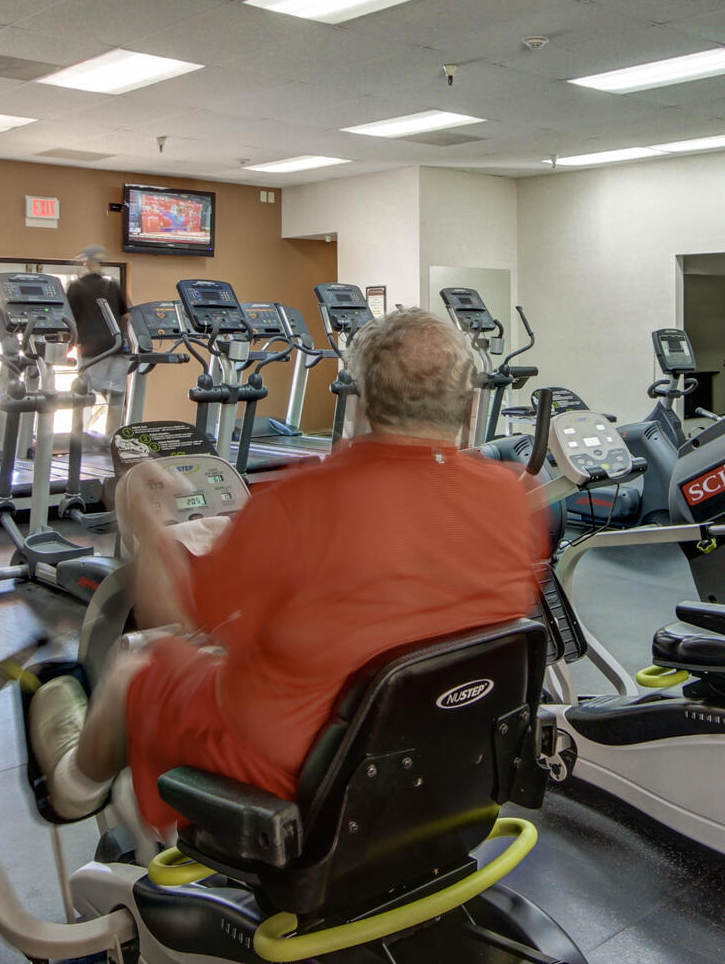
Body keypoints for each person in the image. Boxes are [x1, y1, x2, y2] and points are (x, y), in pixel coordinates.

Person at [29, 307, 545, 837]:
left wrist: (149, 529)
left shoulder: (300, 499)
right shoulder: (511, 495)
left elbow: (178, 618)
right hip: (450, 751)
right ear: (470, 404)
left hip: (304, 767)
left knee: (136, 665)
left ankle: (71, 790)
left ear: (363, 401)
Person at [65, 247, 130, 428]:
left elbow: (68, 320)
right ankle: (112, 437)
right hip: (116, 347)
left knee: (84, 396)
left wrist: (67, 346)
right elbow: (126, 316)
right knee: (116, 397)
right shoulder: (113, 285)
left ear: (87, 262)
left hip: (91, 350)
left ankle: (80, 438)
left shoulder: (76, 287)